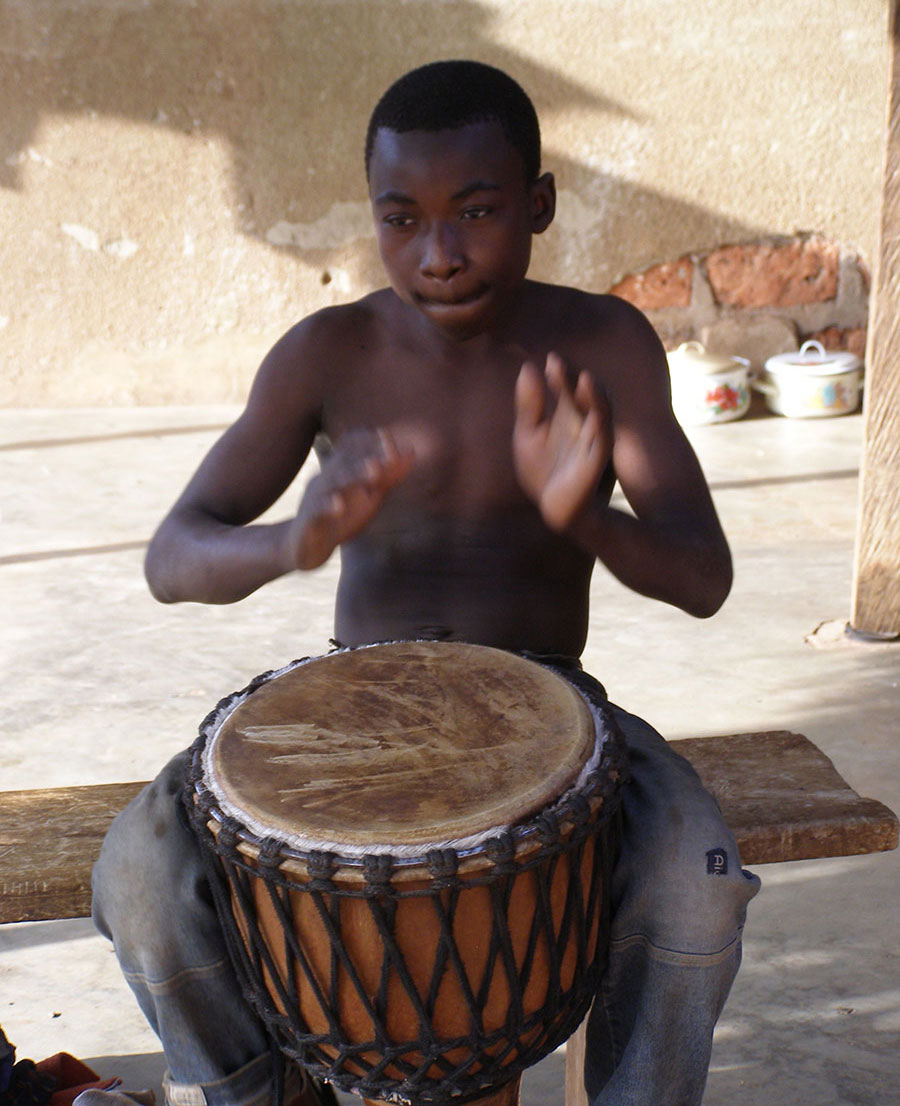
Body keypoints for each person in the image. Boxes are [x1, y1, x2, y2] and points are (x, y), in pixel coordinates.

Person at [89, 60, 760, 1106]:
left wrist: (583, 515)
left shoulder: (602, 345)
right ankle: (260, 1092)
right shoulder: (330, 353)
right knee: (137, 875)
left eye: (478, 211)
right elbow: (174, 554)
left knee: (696, 884)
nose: (438, 254)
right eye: (401, 220)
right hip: (351, 709)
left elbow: (704, 575)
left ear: (537, 203)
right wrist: (296, 540)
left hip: (550, 713)